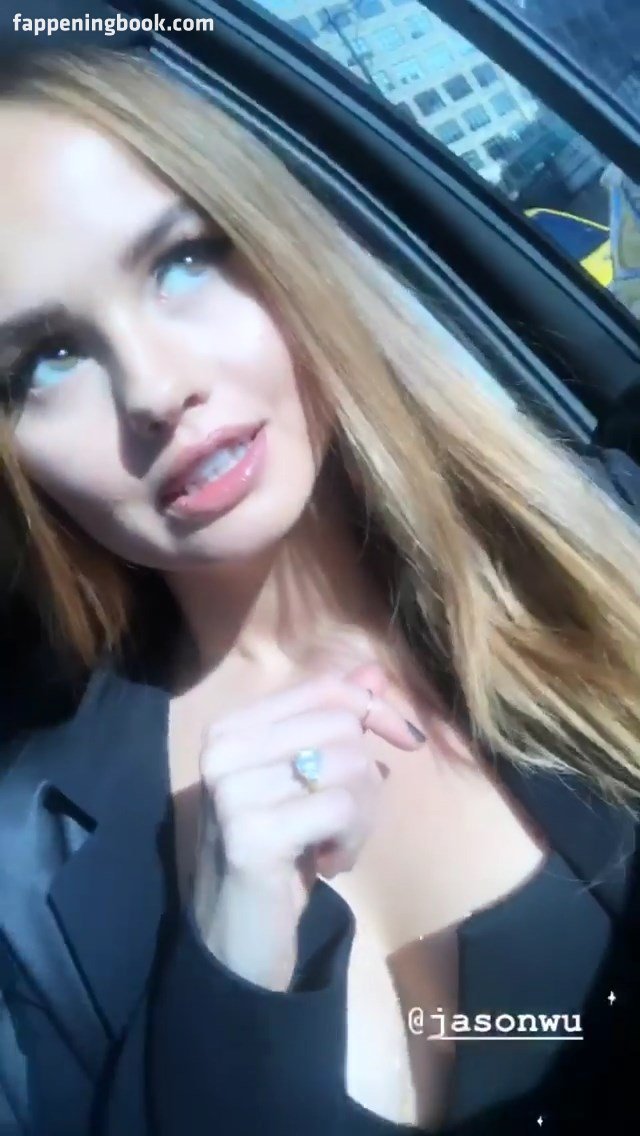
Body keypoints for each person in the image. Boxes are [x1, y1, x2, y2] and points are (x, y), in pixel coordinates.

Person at [0, 43, 640, 1136]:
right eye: (48, 358)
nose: (156, 389)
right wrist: (225, 976)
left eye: (183, 261)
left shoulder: (605, 545)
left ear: (283, 247)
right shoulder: (30, 871)